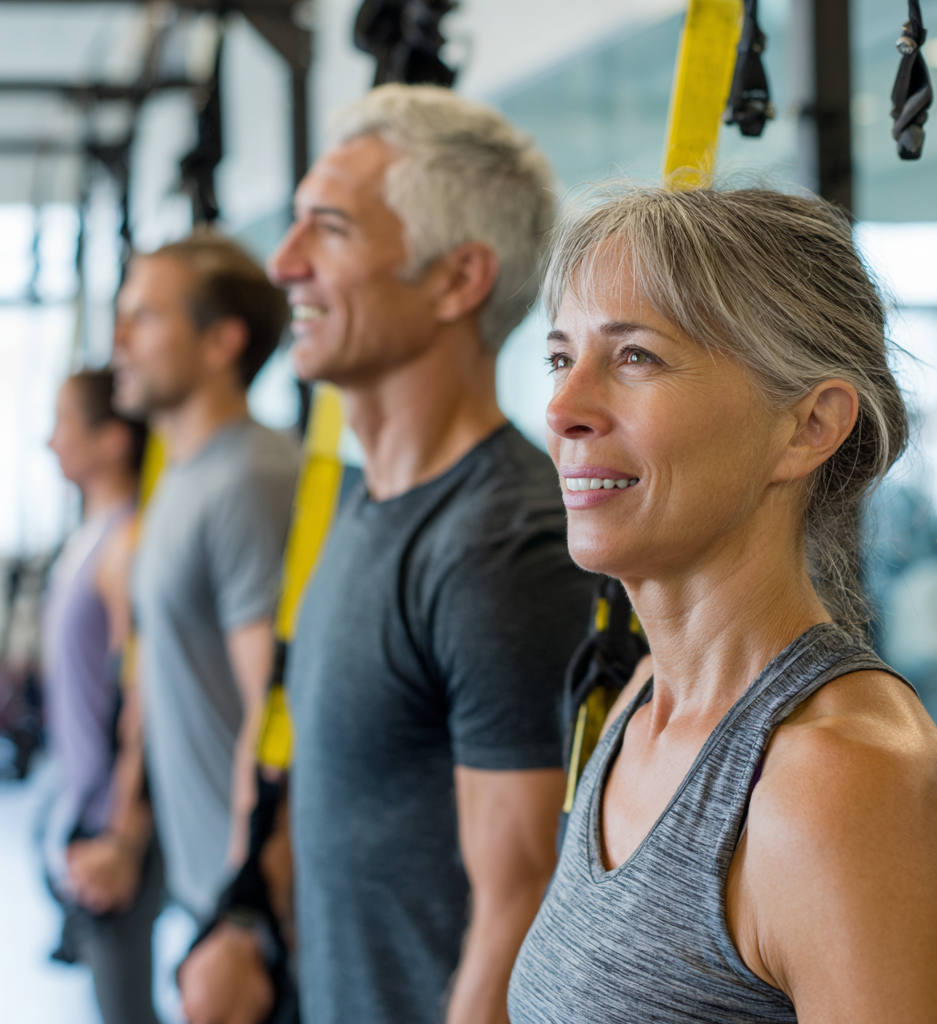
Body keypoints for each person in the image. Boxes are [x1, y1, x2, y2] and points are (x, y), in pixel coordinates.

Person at [506, 185, 937, 1023]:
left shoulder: (842, 780)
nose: (562, 410)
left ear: (809, 426)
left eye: (636, 358)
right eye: (562, 359)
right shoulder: (638, 706)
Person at [178, 84, 593, 1024]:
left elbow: (519, 909)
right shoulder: (359, 506)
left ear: (458, 279)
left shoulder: (503, 546)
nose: (284, 266)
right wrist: (247, 924)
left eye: (327, 230)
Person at [111, 231, 299, 924]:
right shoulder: (183, 472)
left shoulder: (250, 476)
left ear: (222, 341)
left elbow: (275, 712)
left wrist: (247, 910)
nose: (119, 338)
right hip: (202, 888)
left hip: (249, 905)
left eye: (145, 317)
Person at [43, 369, 161, 1024]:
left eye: (65, 423)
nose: (50, 440)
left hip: (111, 820)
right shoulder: (91, 535)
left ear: (113, 439)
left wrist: (124, 833)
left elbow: (138, 697)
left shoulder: (126, 541)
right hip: (82, 803)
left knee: (124, 1009)